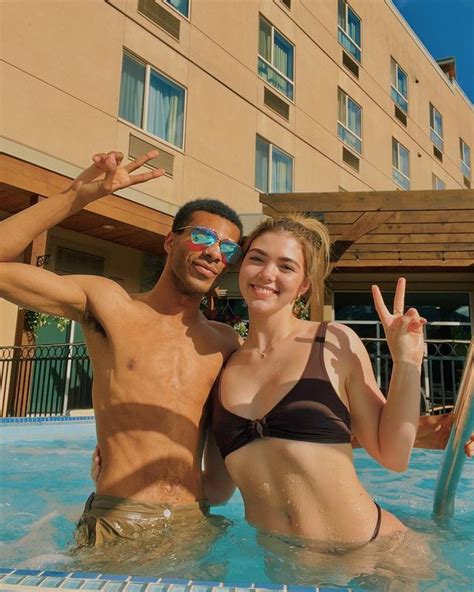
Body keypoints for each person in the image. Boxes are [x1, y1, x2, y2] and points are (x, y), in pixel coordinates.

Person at [0, 150, 243, 546]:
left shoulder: (225, 343)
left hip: (195, 525)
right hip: (119, 523)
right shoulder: (110, 305)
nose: (215, 253)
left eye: (228, 250)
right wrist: (79, 196)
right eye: (202, 237)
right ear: (170, 241)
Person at [205, 214, 474, 549]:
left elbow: (393, 455)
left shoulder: (333, 342)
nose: (267, 274)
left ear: (304, 285)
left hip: (375, 551)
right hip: (285, 565)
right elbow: (215, 489)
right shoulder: (222, 363)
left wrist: (407, 361)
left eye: (286, 266)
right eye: (257, 259)